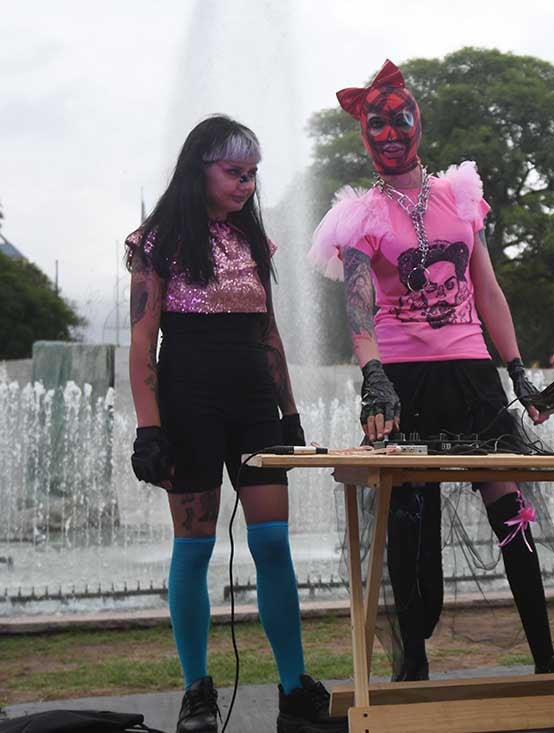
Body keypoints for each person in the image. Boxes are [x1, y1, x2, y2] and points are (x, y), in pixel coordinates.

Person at [308, 60, 554, 681]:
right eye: (377, 123)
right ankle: (414, 665)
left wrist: (517, 370)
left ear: (417, 123)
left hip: (473, 374)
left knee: (509, 505)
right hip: (401, 379)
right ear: (364, 134)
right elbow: (359, 305)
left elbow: (489, 292)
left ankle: (545, 656)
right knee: (409, 512)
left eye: (401, 120)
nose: (391, 132)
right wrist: (372, 373)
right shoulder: (359, 215)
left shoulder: (460, 197)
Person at [127, 116, 344, 733]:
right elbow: (143, 341)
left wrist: (292, 412)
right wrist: (149, 429)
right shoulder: (157, 241)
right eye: (234, 172)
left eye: (252, 173)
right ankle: (197, 690)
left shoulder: (255, 241)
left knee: (273, 544)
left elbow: (269, 333)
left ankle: (294, 690)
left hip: (254, 405)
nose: (247, 184)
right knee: (193, 548)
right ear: (200, 167)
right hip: (187, 405)